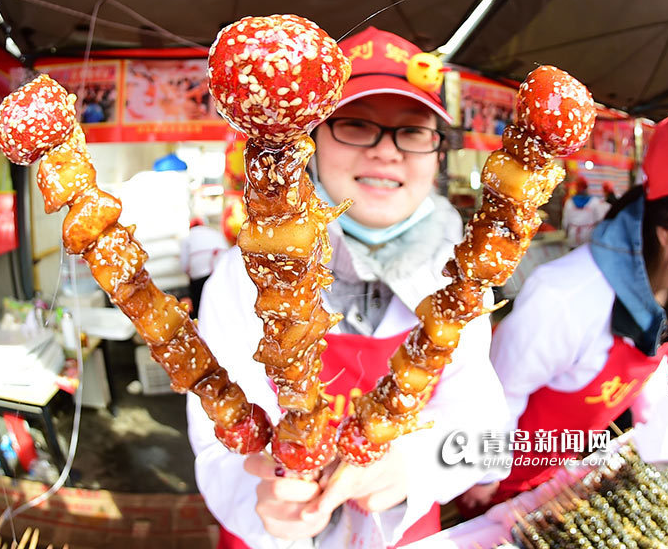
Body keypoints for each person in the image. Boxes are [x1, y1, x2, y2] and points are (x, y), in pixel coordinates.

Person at [187, 27, 509, 548]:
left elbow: (492, 440)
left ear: (437, 152)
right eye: (356, 125)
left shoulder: (461, 279)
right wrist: (261, 503)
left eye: (413, 131)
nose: (386, 153)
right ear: (312, 138)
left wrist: (414, 468)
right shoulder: (243, 274)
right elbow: (214, 445)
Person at [481, 112, 668, 506]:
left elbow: (647, 362)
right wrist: (482, 478)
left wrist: (658, 414)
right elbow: (496, 397)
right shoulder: (564, 298)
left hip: (560, 476)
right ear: (666, 229)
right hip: (503, 483)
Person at [180, 218, 229, 318]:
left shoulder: (188, 237)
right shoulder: (215, 233)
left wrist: (187, 273)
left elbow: (184, 264)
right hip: (220, 269)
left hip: (199, 275)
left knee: (201, 304)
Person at [561, 176, 609, 248]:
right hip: (588, 235)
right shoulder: (594, 202)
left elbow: (565, 221)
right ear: (586, 188)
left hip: (573, 235)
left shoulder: (569, 202)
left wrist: (566, 233)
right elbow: (599, 219)